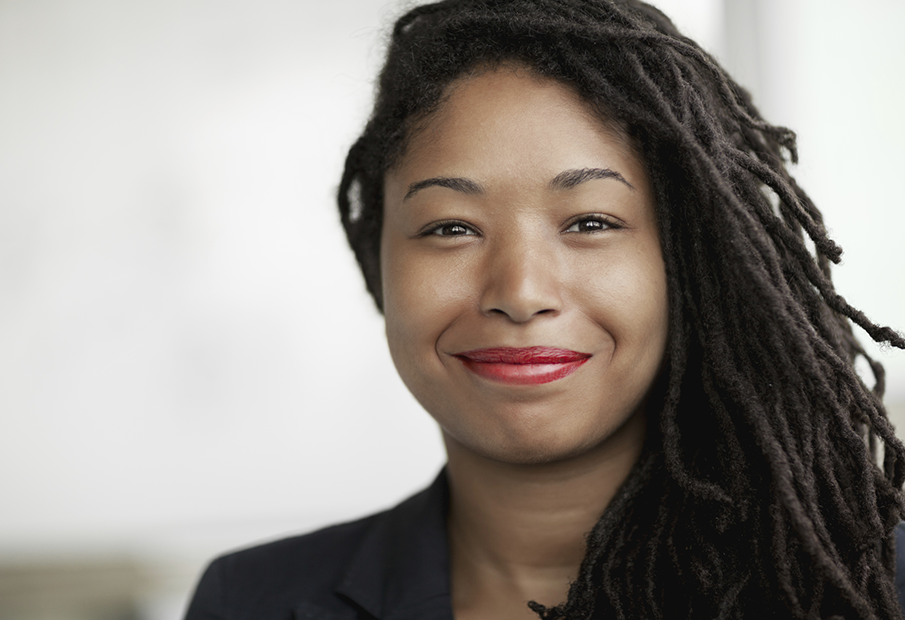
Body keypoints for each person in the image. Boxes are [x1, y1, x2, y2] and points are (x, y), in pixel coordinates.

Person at [184, 1, 905, 618]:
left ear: (688, 262)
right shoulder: (252, 600)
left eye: (590, 222)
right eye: (450, 227)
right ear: (378, 260)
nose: (521, 292)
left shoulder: (873, 584)